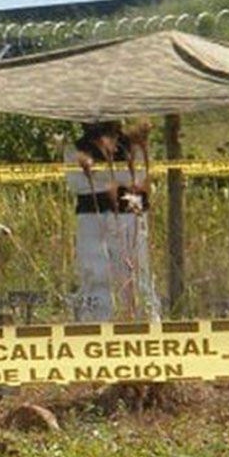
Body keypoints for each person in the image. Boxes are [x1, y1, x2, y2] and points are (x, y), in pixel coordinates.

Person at [67, 121, 159, 322]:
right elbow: (77, 184)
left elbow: (139, 177)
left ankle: (145, 321)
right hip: (91, 214)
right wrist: (116, 180)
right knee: (93, 270)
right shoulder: (76, 148)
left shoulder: (132, 147)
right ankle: (94, 321)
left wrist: (100, 177)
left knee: (135, 269)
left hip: (129, 214)